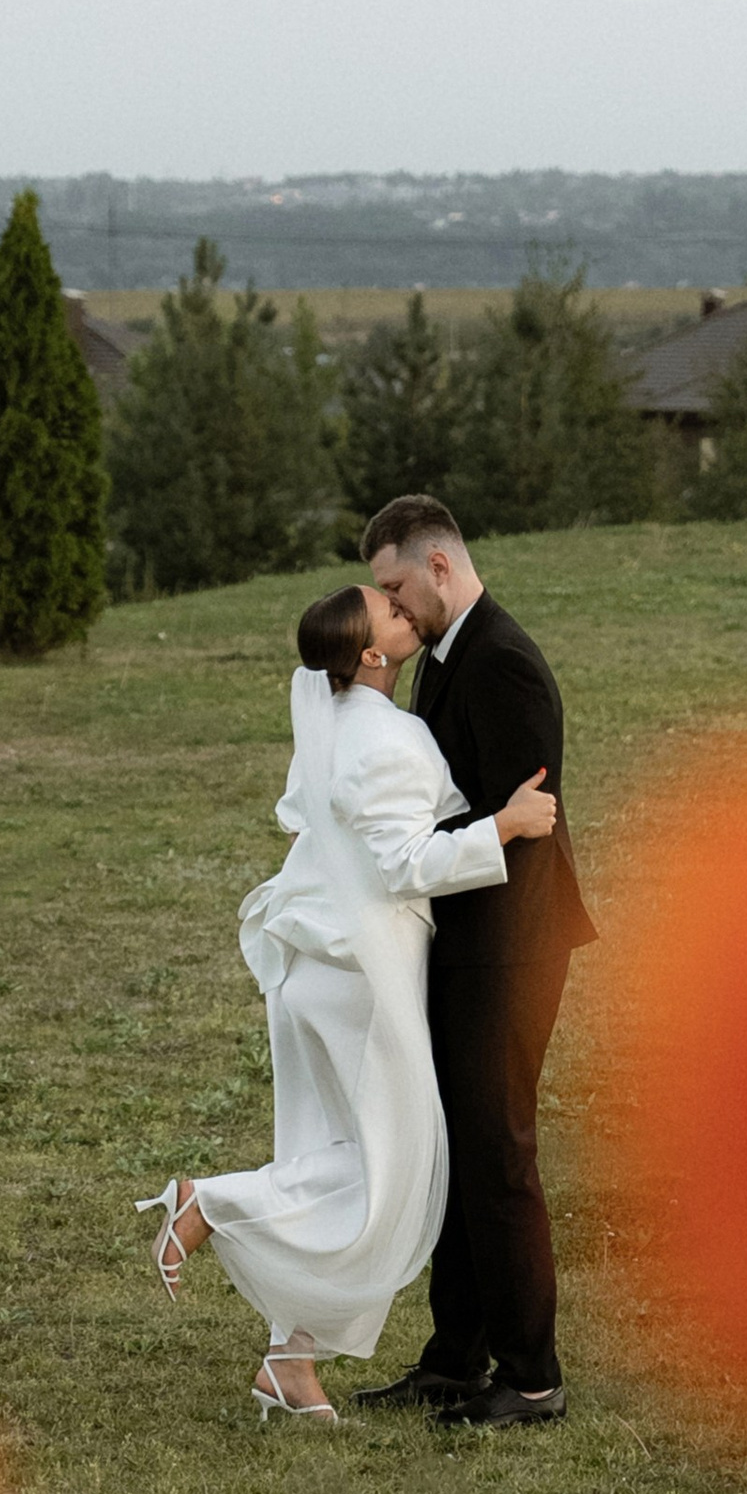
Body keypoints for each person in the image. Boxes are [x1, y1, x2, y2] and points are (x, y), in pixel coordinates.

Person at [137, 579, 559, 1420]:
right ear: (371, 652)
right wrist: (504, 826)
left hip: (306, 962)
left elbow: (307, 824)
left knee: (321, 1149)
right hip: (359, 974)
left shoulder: (324, 723)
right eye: (393, 614)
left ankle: (290, 1363)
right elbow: (407, 864)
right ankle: (208, 1202)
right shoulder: (395, 738)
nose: (410, 615)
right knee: (388, 1172)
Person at [352, 493, 596, 1425]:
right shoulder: (446, 660)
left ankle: (532, 1376)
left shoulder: (502, 663)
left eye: (398, 587)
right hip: (461, 944)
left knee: (497, 1154)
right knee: (455, 1152)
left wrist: (411, 860)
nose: (394, 611)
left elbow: (523, 828)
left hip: (512, 949)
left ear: (439, 564)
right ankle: (456, 1355)